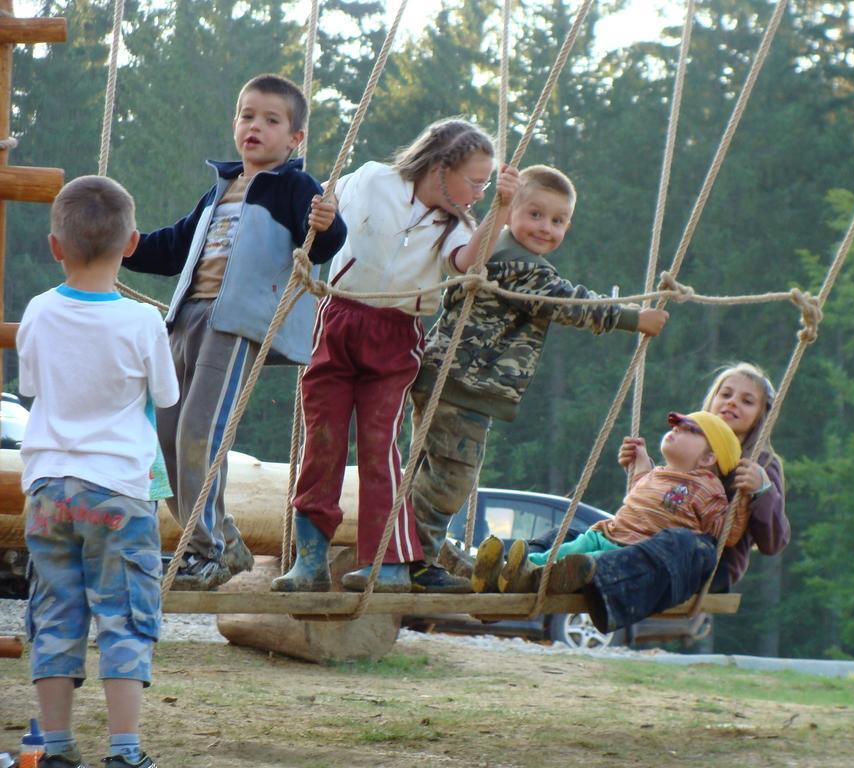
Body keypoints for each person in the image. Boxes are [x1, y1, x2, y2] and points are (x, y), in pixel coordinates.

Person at [381, 164, 670, 594]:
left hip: (446, 379)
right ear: (510, 210)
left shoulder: (491, 253)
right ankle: (415, 559)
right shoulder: (518, 265)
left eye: (558, 221)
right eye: (535, 214)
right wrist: (633, 318)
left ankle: (411, 549)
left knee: (429, 470)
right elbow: (568, 303)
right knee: (450, 478)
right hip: (465, 385)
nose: (545, 228)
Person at [271, 118, 518, 594]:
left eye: (486, 184)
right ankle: (310, 559)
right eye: (475, 181)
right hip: (338, 318)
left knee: (379, 445)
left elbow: (468, 263)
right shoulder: (372, 179)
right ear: (441, 168)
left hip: (396, 331)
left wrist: (502, 211)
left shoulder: (456, 225)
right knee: (321, 439)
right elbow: (323, 203)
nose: (479, 193)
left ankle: (389, 561)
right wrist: (317, 216)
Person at [124, 74, 346, 590]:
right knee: (169, 437)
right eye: (248, 116)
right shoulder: (221, 189)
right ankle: (220, 539)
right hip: (187, 319)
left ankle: (206, 550)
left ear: (295, 139)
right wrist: (123, 245)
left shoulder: (295, 187)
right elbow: (174, 245)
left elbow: (321, 244)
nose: (256, 127)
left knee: (201, 433)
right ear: (234, 124)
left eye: (272, 120)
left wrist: (328, 222)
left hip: (233, 326)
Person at [17, 175, 179, 768]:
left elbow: (32, 387)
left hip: (49, 488)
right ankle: (125, 749)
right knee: (125, 615)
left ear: (55, 246)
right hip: (118, 491)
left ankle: (55, 747)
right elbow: (165, 395)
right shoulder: (141, 323)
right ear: (132, 243)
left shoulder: (37, 311)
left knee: (56, 613)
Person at [526, 362, 790, 632]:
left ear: (761, 415)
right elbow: (660, 507)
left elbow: (773, 543)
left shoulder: (762, 464)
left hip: (700, 559)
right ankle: (518, 568)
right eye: (726, 394)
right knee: (570, 534)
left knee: (682, 541)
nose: (733, 403)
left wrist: (762, 490)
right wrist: (642, 469)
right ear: (712, 400)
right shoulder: (691, 445)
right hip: (649, 545)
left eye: (747, 401)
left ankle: (592, 572)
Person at [475, 410, 742, 594]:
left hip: (630, 553)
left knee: (581, 562)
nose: (676, 429)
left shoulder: (707, 489)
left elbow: (726, 534)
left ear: (708, 459)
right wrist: (640, 459)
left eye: (688, 430)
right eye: (676, 425)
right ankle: (513, 568)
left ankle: (529, 577)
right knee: (561, 551)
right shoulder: (658, 473)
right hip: (604, 533)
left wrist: (747, 498)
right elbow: (639, 489)